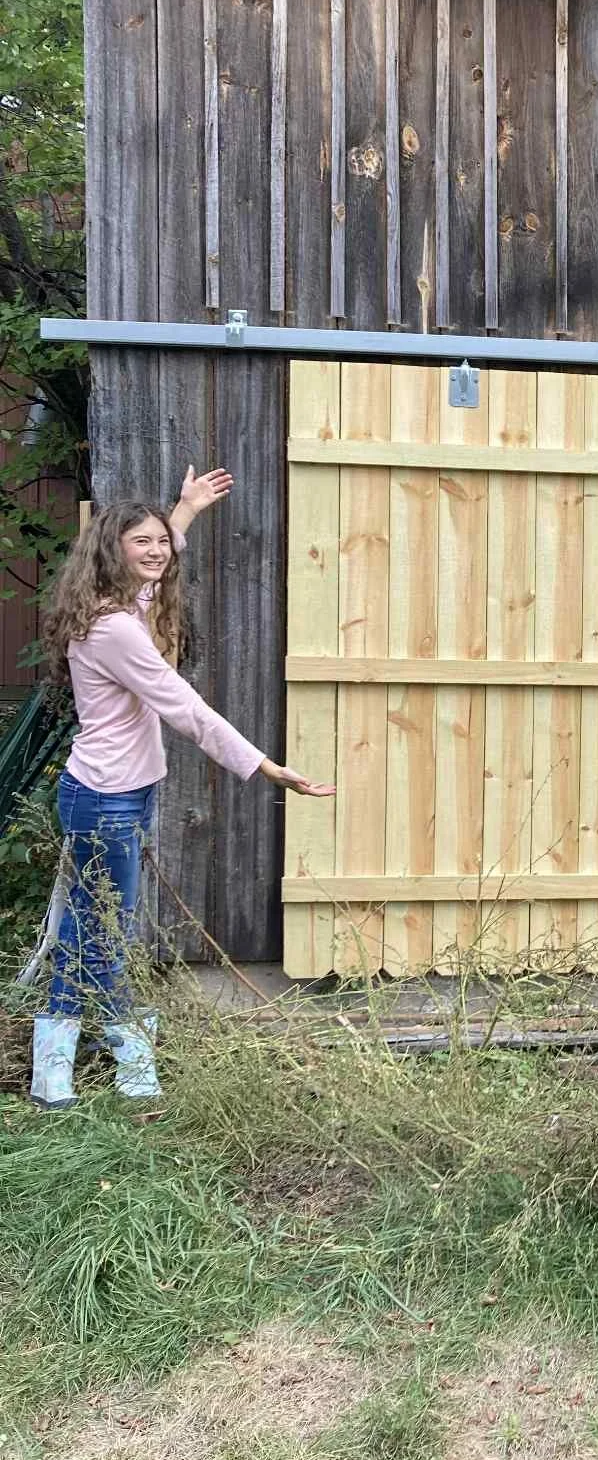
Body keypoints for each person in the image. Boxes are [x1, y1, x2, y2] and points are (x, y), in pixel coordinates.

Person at [30, 467, 334, 1110]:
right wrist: (262, 765)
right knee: (104, 931)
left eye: (160, 541)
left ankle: (53, 1072)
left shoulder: (116, 610)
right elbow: (184, 707)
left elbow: (155, 579)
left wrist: (185, 513)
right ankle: (128, 1058)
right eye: (141, 541)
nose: (157, 550)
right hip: (106, 798)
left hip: (114, 792)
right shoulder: (114, 630)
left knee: (92, 926)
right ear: (111, 551)